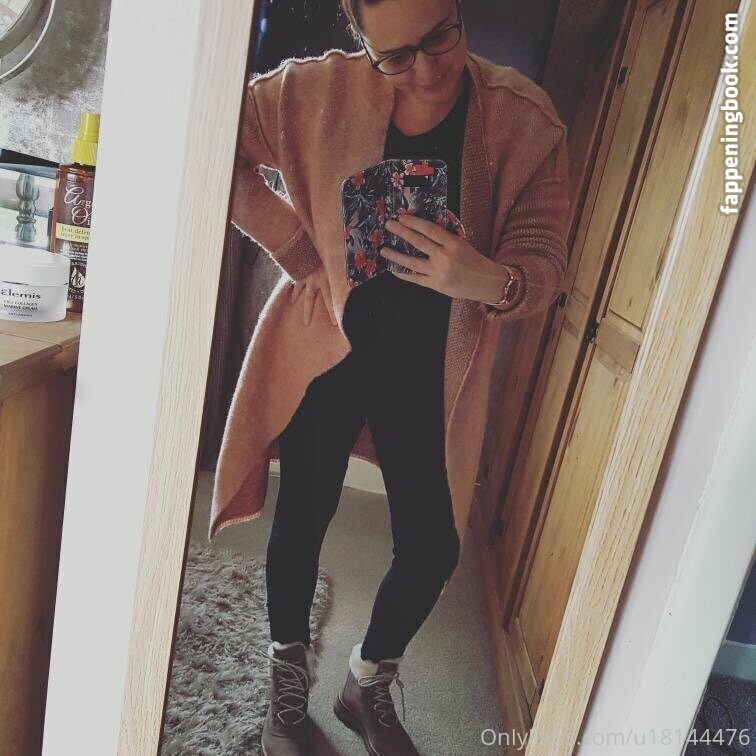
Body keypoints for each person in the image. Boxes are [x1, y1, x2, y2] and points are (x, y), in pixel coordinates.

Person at [209, 1, 571, 753]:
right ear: (361, 41)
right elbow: (211, 140)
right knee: (302, 515)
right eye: (396, 57)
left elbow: (544, 262)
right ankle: (286, 679)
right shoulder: (312, 91)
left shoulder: (523, 119)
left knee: (434, 546)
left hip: (430, 370)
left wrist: (486, 279)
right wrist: (296, 249)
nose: (428, 70)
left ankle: (366, 680)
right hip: (327, 352)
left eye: (441, 36)